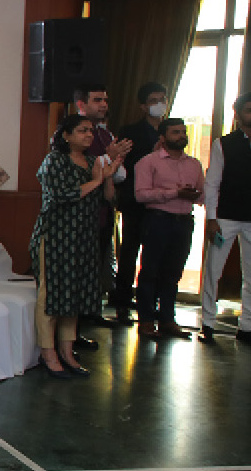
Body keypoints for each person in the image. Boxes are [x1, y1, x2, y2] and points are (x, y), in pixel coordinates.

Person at [30, 115, 123, 379]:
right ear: (66, 135)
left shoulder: (94, 162)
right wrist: (95, 181)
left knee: (74, 295)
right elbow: (62, 195)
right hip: (55, 236)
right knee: (51, 295)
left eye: (90, 131)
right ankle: (48, 353)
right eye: (82, 130)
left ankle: (67, 352)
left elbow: (108, 198)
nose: (89, 135)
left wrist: (108, 177)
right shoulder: (54, 161)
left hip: (83, 237)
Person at [133, 118, 203, 339]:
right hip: (158, 220)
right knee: (150, 271)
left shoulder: (194, 164)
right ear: (162, 138)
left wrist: (194, 194)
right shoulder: (148, 162)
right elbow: (141, 195)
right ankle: (146, 320)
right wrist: (175, 193)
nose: (181, 136)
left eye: (183, 132)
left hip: (184, 221)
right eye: (175, 132)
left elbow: (202, 195)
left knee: (173, 273)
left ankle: (167, 320)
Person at [71, 84, 131, 331]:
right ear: (81, 104)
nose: (104, 105)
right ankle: (75, 321)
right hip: (78, 214)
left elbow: (120, 175)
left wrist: (112, 160)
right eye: (97, 100)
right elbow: (78, 172)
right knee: (78, 267)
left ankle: (91, 310)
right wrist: (107, 157)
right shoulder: (71, 133)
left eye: (105, 100)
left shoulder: (105, 134)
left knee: (96, 264)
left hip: (102, 210)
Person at [113, 82, 170, 323]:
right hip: (135, 200)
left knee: (156, 255)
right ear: (143, 106)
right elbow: (124, 164)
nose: (159, 104)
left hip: (162, 202)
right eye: (154, 100)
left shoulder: (170, 130)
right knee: (129, 251)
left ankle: (150, 303)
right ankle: (122, 302)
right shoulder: (130, 131)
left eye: (162, 99)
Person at [200, 91, 251, 343]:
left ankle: (247, 326)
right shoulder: (224, 144)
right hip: (226, 217)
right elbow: (212, 183)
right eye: (248, 110)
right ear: (238, 115)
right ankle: (208, 323)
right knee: (213, 270)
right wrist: (212, 218)